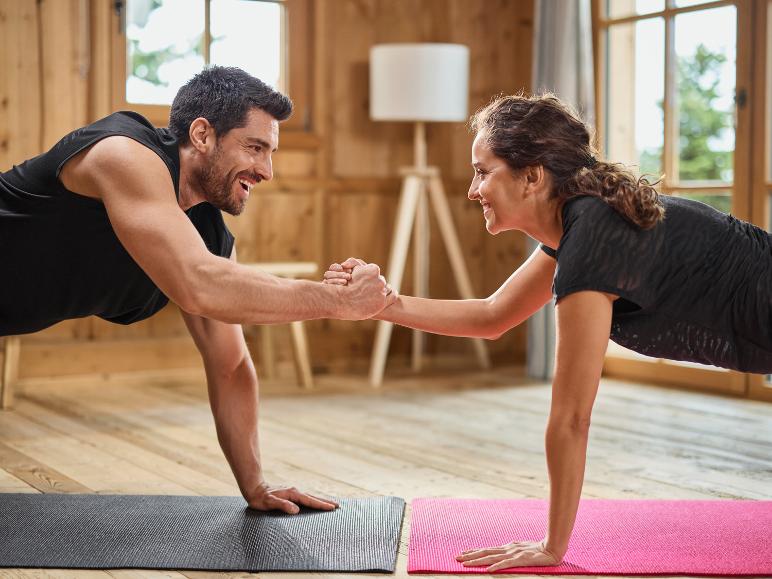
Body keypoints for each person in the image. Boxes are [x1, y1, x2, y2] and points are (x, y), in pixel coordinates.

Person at [324, 93, 772, 571]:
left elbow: (572, 418)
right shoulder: (581, 223)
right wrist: (384, 305)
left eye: (483, 171)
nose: (473, 189)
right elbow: (493, 315)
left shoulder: (593, 237)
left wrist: (552, 547)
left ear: (532, 175)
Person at [0, 66, 395, 515]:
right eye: (254, 147)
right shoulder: (122, 152)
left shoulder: (206, 235)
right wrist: (335, 300)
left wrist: (256, 486)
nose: (266, 170)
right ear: (203, 134)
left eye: (271, 153)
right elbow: (200, 284)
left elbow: (229, 365)